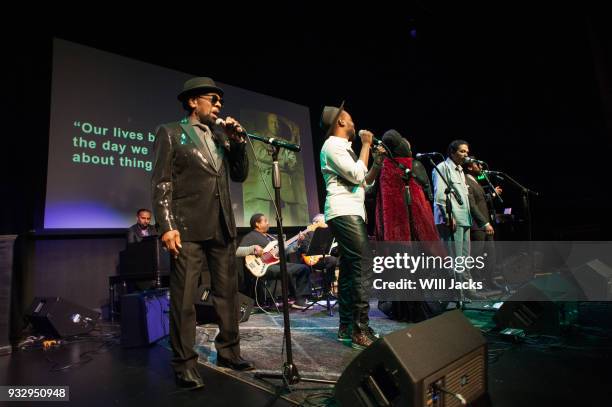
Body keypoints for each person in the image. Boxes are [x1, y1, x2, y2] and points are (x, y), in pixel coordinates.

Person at [151, 77, 253, 390]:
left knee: (227, 295)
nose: (219, 104)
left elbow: (240, 174)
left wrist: (237, 143)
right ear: (194, 102)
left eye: (220, 100)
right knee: (184, 299)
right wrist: (167, 226)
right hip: (187, 228)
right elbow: (161, 183)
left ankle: (229, 352)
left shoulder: (223, 137)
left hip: (222, 226)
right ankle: (184, 364)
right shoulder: (170, 133)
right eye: (213, 98)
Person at [319, 102, 385, 350]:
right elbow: (358, 176)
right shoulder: (332, 146)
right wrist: (366, 145)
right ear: (340, 122)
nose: (354, 122)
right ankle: (360, 328)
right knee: (362, 266)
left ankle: (347, 326)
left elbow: (364, 183)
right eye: (349, 117)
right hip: (343, 211)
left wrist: (376, 162)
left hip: (351, 210)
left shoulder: (345, 149)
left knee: (349, 270)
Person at [242, 112, 308, 225]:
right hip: (266, 187)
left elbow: (292, 163)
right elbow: (260, 154)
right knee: (265, 223)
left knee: (290, 222)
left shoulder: (286, 143)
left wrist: (287, 164)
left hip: (286, 187)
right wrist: (282, 162)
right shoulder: (260, 137)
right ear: (267, 124)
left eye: (277, 122)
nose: (276, 125)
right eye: (272, 122)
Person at [237, 213, 312, 309]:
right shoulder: (250, 236)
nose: (268, 223)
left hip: (276, 264)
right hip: (263, 267)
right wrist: (253, 248)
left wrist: (298, 243)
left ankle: (300, 301)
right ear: (257, 224)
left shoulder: (272, 237)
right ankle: (292, 295)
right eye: (265, 221)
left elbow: (286, 251)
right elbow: (237, 252)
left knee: (304, 268)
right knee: (287, 271)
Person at [463, 156, 503, 288]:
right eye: (477, 165)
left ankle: (490, 280)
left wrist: (492, 194)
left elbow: (480, 200)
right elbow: (472, 205)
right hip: (477, 225)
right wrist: (484, 223)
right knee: (477, 256)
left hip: (486, 223)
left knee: (491, 254)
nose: (481, 167)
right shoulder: (465, 180)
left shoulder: (476, 181)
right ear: (469, 167)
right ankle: (478, 283)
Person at [296, 214, 338, 298]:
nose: (326, 224)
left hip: (323, 257)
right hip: (310, 260)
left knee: (336, 259)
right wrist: (302, 240)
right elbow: (304, 250)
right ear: (316, 223)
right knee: (332, 260)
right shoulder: (307, 233)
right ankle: (326, 290)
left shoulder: (326, 233)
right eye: (324, 222)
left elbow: (330, 249)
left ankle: (327, 291)